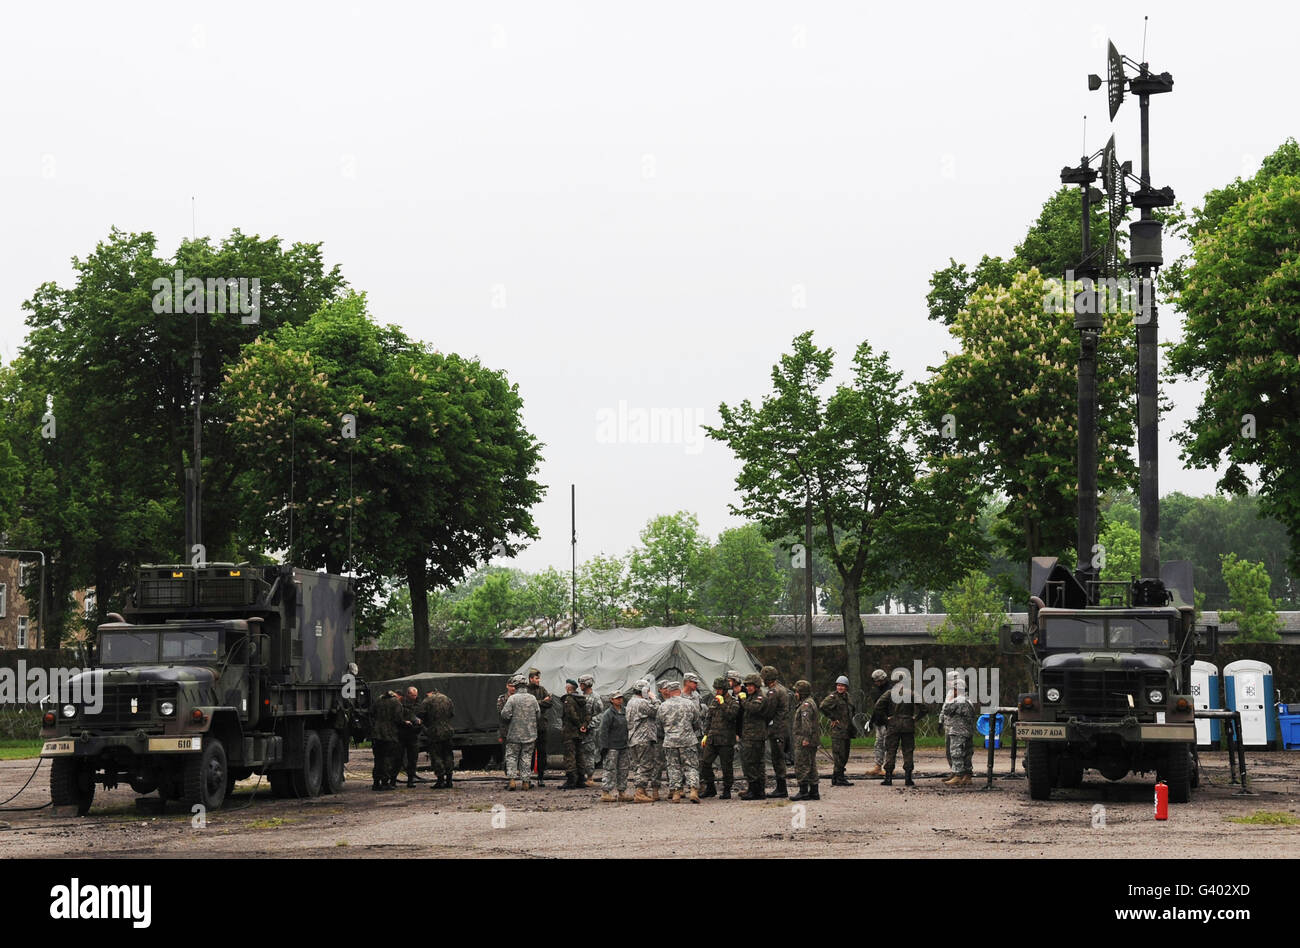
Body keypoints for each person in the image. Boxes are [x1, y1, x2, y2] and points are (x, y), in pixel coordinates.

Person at [658, 681, 704, 803]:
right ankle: (693, 790)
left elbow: (659, 725)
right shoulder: (689, 704)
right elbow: (697, 722)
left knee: (673, 767)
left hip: (670, 742)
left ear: (669, 691)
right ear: (679, 690)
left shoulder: (663, 706)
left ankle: (676, 793)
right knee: (691, 766)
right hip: (688, 740)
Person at [874, 681, 925, 787]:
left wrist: (885, 718)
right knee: (908, 751)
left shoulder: (889, 693)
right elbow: (924, 708)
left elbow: (878, 706)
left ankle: (888, 777)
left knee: (891, 750)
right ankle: (908, 778)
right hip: (908, 724)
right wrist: (916, 718)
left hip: (893, 724)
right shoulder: (912, 693)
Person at [700, 677, 739, 799]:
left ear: (725, 689)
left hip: (726, 740)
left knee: (726, 766)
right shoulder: (714, 701)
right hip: (712, 738)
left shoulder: (733, 702)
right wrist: (705, 734)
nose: (717, 691)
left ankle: (727, 789)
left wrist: (722, 704)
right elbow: (708, 719)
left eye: (719, 689)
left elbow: (732, 716)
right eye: (716, 689)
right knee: (705, 763)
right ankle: (710, 788)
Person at [500, 674, 541, 790]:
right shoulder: (532, 698)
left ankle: (512, 781)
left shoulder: (512, 699)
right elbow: (538, 715)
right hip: (530, 734)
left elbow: (504, 715)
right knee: (526, 757)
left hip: (514, 734)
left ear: (515, 685)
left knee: (512, 756)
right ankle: (526, 782)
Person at [819, 675, 856, 787]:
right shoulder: (833, 697)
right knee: (839, 755)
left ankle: (836, 776)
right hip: (838, 731)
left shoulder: (847, 697)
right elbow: (822, 706)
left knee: (845, 754)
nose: (840, 687)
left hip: (847, 730)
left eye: (842, 686)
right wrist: (833, 718)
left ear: (846, 687)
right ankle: (839, 778)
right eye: (839, 685)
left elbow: (851, 710)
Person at [627, 678, 660, 803]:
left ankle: (642, 791)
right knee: (646, 765)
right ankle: (640, 791)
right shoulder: (641, 703)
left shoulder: (630, 702)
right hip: (643, 738)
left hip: (634, 739)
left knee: (638, 766)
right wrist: (654, 698)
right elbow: (657, 710)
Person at [940, 676, 977, 787]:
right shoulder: (968, 700)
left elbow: (947, 710)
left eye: (954, 689)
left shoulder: (958, 701)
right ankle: (967, 776)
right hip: (967, 731)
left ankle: (958, 776)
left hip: (957, 731)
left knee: (956, 753)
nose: (952, 691)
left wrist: (950, 698)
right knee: (967, 753)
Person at [737, 673, 769, 800]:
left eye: (751, 685)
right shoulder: (752, 696)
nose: (749, 688)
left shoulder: (760, 697)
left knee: (752, 763)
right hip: (751, 735)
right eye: (747, 685)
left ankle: (756, 791)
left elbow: (753, 709)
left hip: (755, 736)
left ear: (756, 685)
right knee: (754, 763)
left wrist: (743, 700)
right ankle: (756, 790)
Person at [761, 665, 791, 798]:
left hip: (777, 729)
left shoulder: (774, 692)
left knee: (778, 758)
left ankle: (781, 788)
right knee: (778, 758)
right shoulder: (781, 689)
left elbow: (769, 710)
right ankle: (780, 787)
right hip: (781, 727)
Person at [419, 685, 456, 789]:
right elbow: (452, 714)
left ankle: (440, 780)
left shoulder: (427, 700)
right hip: (447, 730)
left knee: (436, 756)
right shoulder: (447, 699)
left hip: (434, 731)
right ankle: (449, 780)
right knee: (448, 755)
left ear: (428, 693)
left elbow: (421, 714)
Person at [790, 680, 821, 801]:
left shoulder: (805, 705)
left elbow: (806, 723)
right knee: (811, 765)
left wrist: (806, 738)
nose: (795, 694)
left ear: (801, 693)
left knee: (802, 765)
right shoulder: (810, 702)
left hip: (804, 740)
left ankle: (803, 791)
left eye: (797, 692)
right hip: (811, 739)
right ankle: (814, 791)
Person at [597, 692, 630, 802]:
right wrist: (604, 747)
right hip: (612, 747)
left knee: (623, 769)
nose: (619, 700)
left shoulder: (625, 711)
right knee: (610, 769)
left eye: (620, 698)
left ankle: (622, 791)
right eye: (617, 698)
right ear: (611, 700)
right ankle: (606, 792)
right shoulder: (608, 714)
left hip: (624, 745)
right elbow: (603, 731)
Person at [560, 679, 590, 789]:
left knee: (570, 755)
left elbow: (570, 714)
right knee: (579, 755)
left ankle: (571, 779)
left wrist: (578, 725)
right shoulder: (582, 699)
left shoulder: (569, 699)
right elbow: (588, 714)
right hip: (580, 732)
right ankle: (581, 779)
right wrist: (584, 725)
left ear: (568, 688)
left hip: (570, 732)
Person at [370, 689, 402, 791]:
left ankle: (376, 782)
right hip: (389, 734)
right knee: (388, 758)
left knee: (378, 759)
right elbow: (398, 718)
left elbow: (371, 713)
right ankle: (385, 782)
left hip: (377, 733)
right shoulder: (395, 702)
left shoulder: (378, 700)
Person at [526, 668, 553, 786]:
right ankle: (527, 777)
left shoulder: (542, 689)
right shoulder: (525, 691)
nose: (538, 680)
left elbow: (550, 703)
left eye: (539, 678)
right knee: (529, 753)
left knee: (542, 752)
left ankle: (541, 777)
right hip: (529, 727)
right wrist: (542, 702)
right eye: (536, 678)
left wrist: (538, 703)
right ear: (531, 679)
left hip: (541, 726)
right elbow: (528, 705)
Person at [865, 669, 891, 777]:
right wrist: (871, 721)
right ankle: (877, 766)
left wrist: (889, 719)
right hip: (879, 722)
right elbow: (876, 708)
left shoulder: (891, 690)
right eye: (875, 681)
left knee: (888, 745)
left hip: (887, 722)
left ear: (883, 679)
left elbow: (891, 707)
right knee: (878, 744)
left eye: (878, 681)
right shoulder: (877, 691)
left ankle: (888, 767)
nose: (877, 683)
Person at [578, 674, 603, 787]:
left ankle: (590, 776)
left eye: (582, 684)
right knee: (580, 754)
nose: (580, 686)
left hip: (589, 732)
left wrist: (588, 725)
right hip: (579, 730)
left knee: (589, 754)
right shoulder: (579, 696)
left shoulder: (595, 697)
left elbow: (599, 715)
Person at [397, 686, 424, 787]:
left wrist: (420, 721)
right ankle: (392, 779)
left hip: (414, 735)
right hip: (402, 734)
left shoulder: (419, 703)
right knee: (398, 758)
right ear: (408, 694)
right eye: (412, 695)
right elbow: (397, 717)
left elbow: (423, 715)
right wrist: (405, 722)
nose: (414, 697)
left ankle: (410, 780)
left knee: (413, 759)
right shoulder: (401, 703)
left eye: (415, 695)